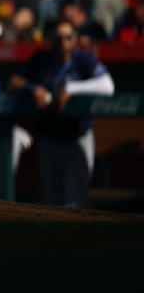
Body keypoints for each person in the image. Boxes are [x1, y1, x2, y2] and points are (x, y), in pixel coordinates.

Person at [8, 18, 115, 207]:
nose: (63, 42)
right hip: (49, 140)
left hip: (77, 139)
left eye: (68, 37)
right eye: (58, 37)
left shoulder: (82, 58)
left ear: (74, 39)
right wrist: (33, 88)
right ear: (51, 39)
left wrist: (72, 88)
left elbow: (108, 86)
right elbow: (14, 81)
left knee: (74, 204)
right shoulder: (41, 58)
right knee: (52, 203)